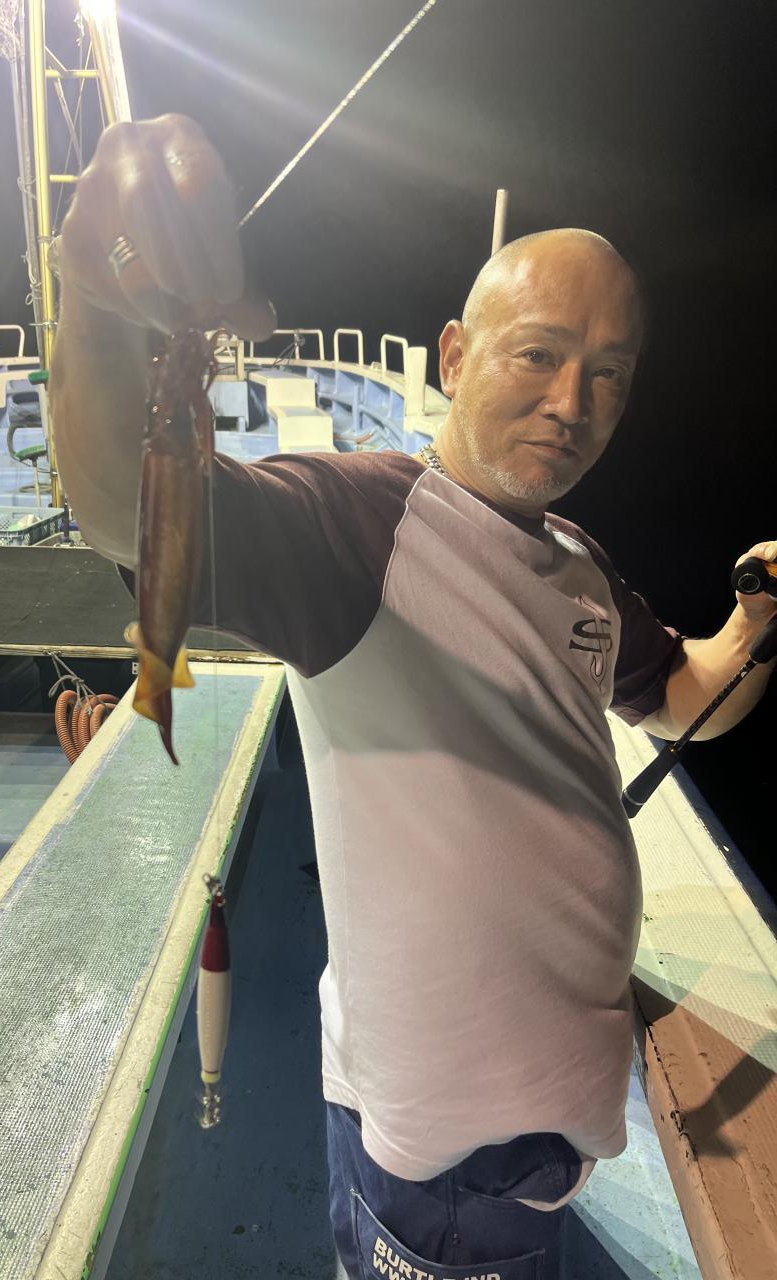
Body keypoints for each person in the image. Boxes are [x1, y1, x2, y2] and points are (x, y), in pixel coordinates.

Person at [51, 116, 777, 1280]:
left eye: (609, 375)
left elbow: (684, 693)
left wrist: (752, 621)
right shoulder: (358, 526)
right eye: (537, 355)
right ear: (451, 356)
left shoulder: (581, 565)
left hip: (532, 1132)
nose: (572, 401)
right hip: (448, 1163)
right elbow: (119, 505)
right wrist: (91, 300)